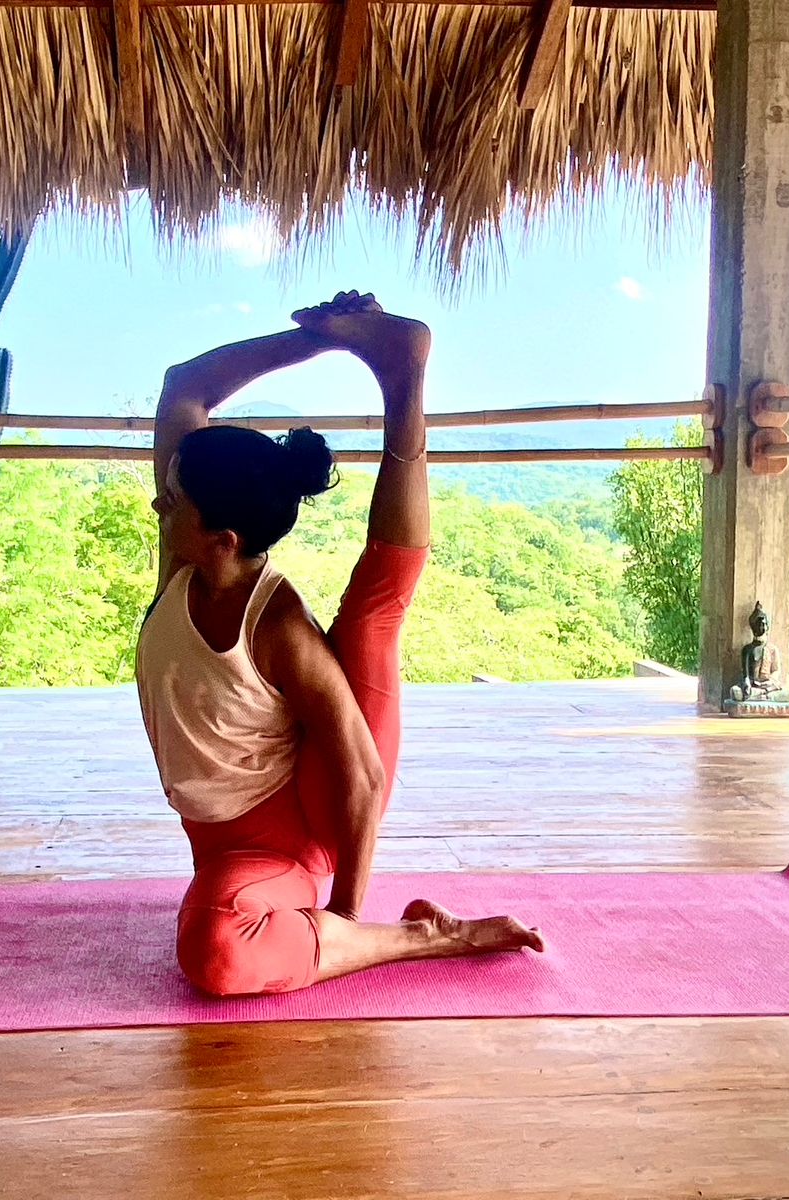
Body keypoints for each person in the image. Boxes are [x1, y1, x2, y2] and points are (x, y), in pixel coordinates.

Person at [135, 290, 545, 997]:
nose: (158, 501)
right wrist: (320, 340)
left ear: (222, 539)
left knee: (215, 956)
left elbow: (362, 775)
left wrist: (345, 924)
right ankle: (388, 356)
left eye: (174, 498)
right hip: (224, 838)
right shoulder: (186, 564)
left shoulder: (278, 626)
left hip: (299, 826)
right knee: (368, 623)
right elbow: (184, 389)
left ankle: (403, 379)